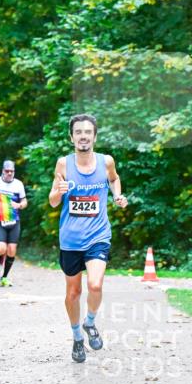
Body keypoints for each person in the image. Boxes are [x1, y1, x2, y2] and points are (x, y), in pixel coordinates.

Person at [48, 113, 128, 363]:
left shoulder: (106, 162)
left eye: (88, 132)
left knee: (95, 285)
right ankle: (77, 338)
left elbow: (114, 180)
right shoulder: (63, 164)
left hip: (98, 235)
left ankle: (90, 322)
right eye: (79, 132)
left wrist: (117, 195)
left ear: (95, 136)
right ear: (72, 137)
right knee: (73, 292)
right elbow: (52, 202)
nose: (83, 136)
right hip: (70, 238)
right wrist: (58, 192)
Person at [0, 161, 27, 287]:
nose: (9, 173)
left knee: (11, 251)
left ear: (14, 171)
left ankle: (4, 277)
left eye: (12, 171)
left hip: (14, 221)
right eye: (7, 171)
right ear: (2, 170)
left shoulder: (18, 184)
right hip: (0, 220)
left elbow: (24, 201)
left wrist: (19, 205)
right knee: (0, 248)